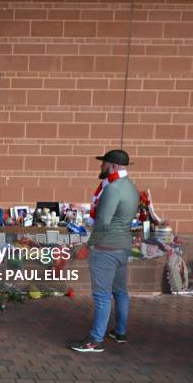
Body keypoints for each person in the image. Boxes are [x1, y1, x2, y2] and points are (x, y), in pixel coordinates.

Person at [69, 149, 139, 353]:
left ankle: (95, 340)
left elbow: (103, 222)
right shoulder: (131, 188)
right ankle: (120, 332)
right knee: (120, 292)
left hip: (106, 248)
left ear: (113, 166)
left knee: (102, 296)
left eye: (104, 164)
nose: (101, 167)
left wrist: (88, 245)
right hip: (123, 247)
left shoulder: (112, 189)